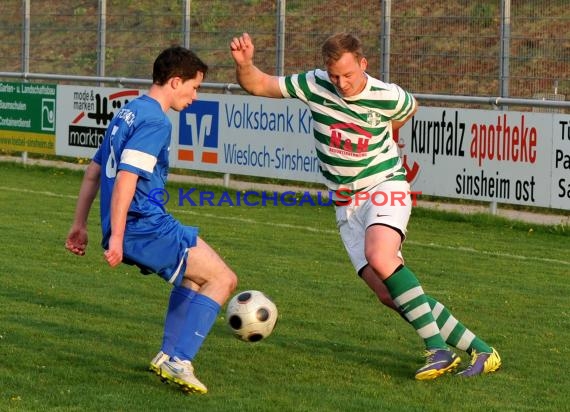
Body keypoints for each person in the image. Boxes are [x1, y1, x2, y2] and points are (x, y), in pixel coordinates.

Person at [230, 32, 501, 379]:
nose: (342, 83)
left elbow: (408, 109)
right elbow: (260, 85)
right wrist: (245, 64)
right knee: (390, 295)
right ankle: (482, 349)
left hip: (384, 186)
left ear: (363, 63)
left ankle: (438, 351)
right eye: (335, 76)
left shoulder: (386, 95)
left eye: (349, 75)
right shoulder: (314, 85)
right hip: (345, 205)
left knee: (381, 256)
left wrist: (381, 139)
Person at [65, 46, 237, 394]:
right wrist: (118, 237)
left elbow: (94, 171)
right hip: (144, 225)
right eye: (194, 87)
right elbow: (127, 176)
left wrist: (80, 224)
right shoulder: (156, 120)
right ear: (175, 81)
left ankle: (168, 354)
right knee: (223, 279)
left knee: (193, 279)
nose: (195, 95)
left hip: (135, 224)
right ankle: (180, 359)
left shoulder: (128, 112)